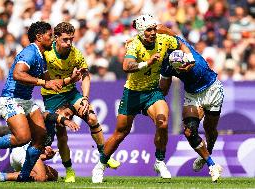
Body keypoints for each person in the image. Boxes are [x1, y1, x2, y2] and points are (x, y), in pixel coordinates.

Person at [91, 14, 193, 183]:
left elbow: (181, 43)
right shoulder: (134, 45)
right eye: (149, 30)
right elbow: (126, 66)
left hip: (152, 92)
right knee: (120, 133)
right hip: (132, 93)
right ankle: (100, 166)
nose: (153, 32)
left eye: (154, 29)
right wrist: (147, 63)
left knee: (163, 123)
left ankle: (159, 161)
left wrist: (189, 59)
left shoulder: (163, 40)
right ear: (140, 32)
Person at [0, 21, 64, 182]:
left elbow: (49, 81)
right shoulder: (29, 53)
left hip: (26, 99)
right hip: (11, 98)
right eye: (50, 36)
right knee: (23, 137)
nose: (53, 39)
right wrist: (45, 83)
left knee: (40, 136)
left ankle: (23, 176)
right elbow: (17, 74)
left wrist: (70, 78)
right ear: (39, 37)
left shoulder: (41, 56)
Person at [41, 22, 120, 182]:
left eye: (71, 39)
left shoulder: (76, 53)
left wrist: (84, 97)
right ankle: (69, 170)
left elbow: (85, 76)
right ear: (56, 38)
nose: (69, 43)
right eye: (65, 39)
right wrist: (69, 79)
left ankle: (104, 155)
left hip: (71, 93)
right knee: (62, 135)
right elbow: (45, 79)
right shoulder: (46, 54)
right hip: (52, 96)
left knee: (92, 118)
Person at [159, 32, 224, 181]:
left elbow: (172, 34)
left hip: (212, 90)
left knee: (210, 129)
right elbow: (164, 88)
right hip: (193, 95)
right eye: (182, 68)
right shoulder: (169, 65)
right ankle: (212, 165)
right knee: (189, 131)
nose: (186, 67)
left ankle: (208, 151)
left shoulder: (195, 61)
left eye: (187, 64)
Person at [0, 105, 79, 182]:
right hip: (21, 152)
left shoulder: (54, 130)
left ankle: (25, 174)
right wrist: (63, 120)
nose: (68, 118)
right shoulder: (48, 115)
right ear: (58, 111)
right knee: (41, 177)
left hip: (29, 155)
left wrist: (47, 155)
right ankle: (1, 176)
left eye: (70, 117)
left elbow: (37, 152)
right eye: (66, 114)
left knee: (53, 175)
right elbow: (44, 115)